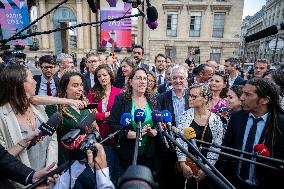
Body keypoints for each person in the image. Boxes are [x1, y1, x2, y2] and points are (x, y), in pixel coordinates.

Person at [0, 65, 58, 188]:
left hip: (47, 180)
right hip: (20, 183)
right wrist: (30, 180)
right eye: (32, 78)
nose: (36, 82)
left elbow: (52, 139)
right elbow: (3, 159)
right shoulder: (2, 116)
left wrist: (50, 172)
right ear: (21, 84)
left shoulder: (38, 108)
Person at [221, 78, 284, 189]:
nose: (241, 98)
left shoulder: (281, 123)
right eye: (242, 93)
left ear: (264, 100)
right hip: (234, 183)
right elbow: (226, 150)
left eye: (247, 94)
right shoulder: (237, 118)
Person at [45, 71, 97, 189]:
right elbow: (49, 140)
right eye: (75, 85)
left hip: (86, 160)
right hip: (66, 162)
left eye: (81, 85)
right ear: (65, 87)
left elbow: (94, 126)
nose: (80, 89)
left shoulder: (86, 104)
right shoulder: (54, 107)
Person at [109, 67, 159, 173]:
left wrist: (155, 131)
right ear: (130, 82)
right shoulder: (120, 99)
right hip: (127, 153)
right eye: (138, 78)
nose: (142, 81)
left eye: (145, 79)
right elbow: (113, 125)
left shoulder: (153, 100)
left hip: (148, 154)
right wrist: (132, 133)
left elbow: (159, 124)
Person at [177, 83, 223, 189]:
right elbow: (180, 141)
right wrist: (183, 164)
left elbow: (216, 147)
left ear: (205, 98)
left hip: (207, 169)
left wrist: (206, 169)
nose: (190, 98)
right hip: (188, 166)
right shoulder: (185, 116)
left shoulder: (216, 120)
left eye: (194, 96)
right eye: (189, 95)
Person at [87, 64, 122, 185]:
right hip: (100, 136)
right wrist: (106, 115)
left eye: (105, 75)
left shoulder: (119, 92)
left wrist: (102, 114)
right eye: (99, 76)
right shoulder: (92, 93)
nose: (102, 78)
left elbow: (119, 115)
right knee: (105, 169)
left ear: (110, 76)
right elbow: (91, 115)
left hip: (117, 136)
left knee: (118, 170)